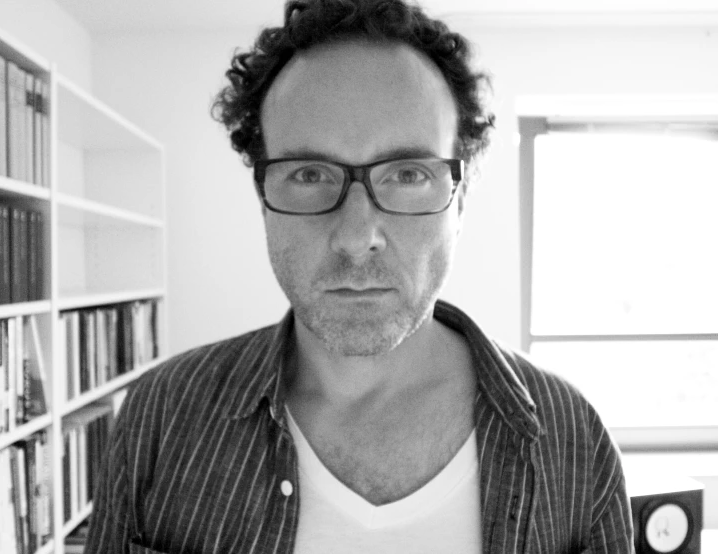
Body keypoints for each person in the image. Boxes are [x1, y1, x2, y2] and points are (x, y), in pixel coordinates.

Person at [85, 0, 635, 552]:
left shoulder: (574, 439)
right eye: (309, 173)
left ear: (460, 199)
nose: (356, 235)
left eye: (407, 174)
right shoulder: (162, 417)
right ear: (263, 197)